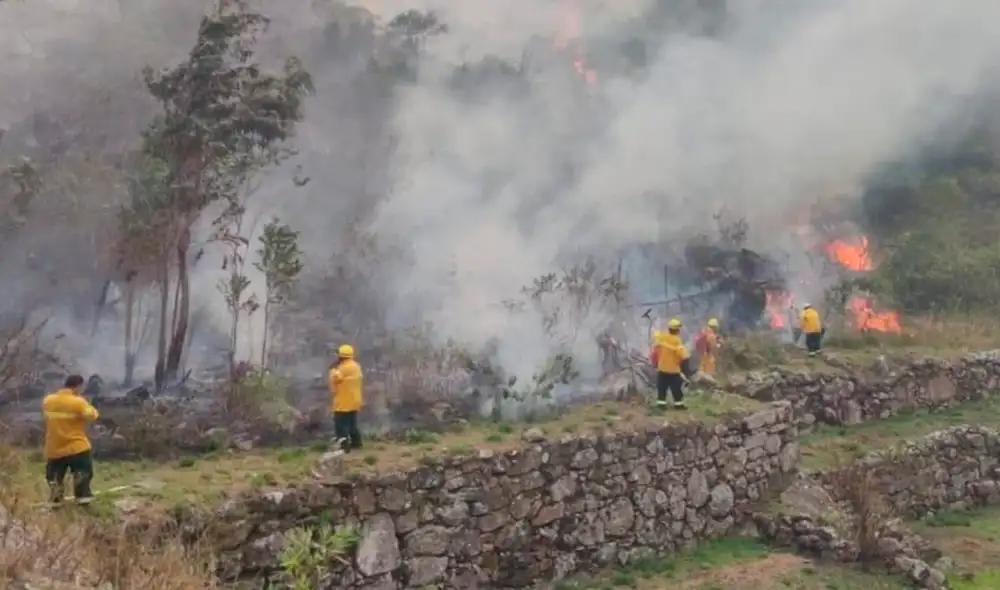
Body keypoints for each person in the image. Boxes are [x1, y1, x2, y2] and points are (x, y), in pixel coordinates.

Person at [42, 374, 100, 505]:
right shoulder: (78, 402)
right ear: (78, 386)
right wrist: (88, 404)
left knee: (54, 479)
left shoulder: (48, 401)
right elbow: (92, 415)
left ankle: (56, 501)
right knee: (82, 474)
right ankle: (83, 499)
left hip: (54, 448)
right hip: (76, 447)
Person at [329, 344, 363, 452]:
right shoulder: (356, 366)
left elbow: (335, 380)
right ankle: (356, 444)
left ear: (341, 356)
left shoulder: (342, 369)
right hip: (355, 401)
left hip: (343, 402)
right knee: (352, 424)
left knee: (341, 425)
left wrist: (332, 370)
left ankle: (344, 447)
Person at [652, 318, 691, 409]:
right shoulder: (677, 341)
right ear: (677, 330)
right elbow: (683, 355)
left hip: (662, 368)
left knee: (662, 388)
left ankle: (661, 405)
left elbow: (656, 337)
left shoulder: (663, 337)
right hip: (673, 370)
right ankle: (679, 405)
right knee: (676, 389)